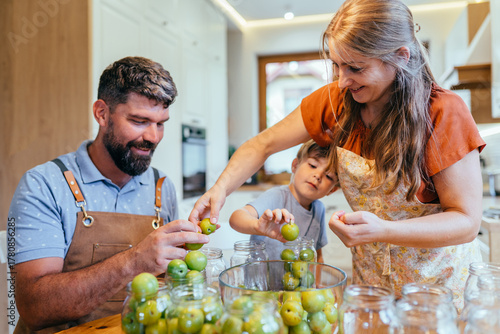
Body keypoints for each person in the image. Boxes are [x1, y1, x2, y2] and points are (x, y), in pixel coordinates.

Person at [190, 0, 485, 311]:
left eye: (355, 68)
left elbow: (466, 220)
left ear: (400, 57)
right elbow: (261, 145)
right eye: (337, 65)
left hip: (436, 286)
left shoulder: (442, 112)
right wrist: (218, 190)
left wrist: (384, 230)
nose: (343, 80)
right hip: (371, 286)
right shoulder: (335, 103)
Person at [9, 56, 210, 333]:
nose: (153, 137)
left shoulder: (161, 186)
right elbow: (33, 307)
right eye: (140, 121)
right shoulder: (43, 184)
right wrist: (136, 261)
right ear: (102, 114)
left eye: (160, 123)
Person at [229, 140, 339, 262]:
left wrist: (317, 281)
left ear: (332, 190)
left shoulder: (319, 209)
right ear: (295, 165)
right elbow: (236, 218)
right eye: (313, 165)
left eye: (328, 176)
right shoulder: (276, 196)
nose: (318, 176)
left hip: (297, 281)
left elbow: (317, 254)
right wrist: (257, 226)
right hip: (262, 280)